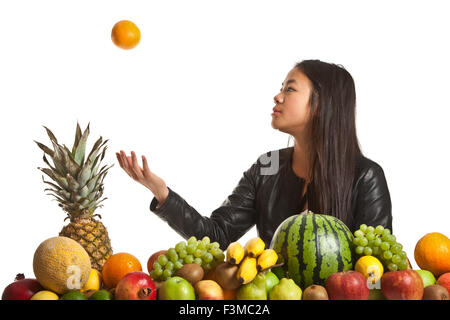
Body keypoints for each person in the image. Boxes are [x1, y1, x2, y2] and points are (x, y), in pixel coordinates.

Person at [116, 59, 392, 250]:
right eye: (281, 87)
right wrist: (163, 194)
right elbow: (217, 236)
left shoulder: (365, 176)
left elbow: (373, 266)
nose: (277, 96)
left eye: (290, 89)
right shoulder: (267, 166)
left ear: (322, 105)